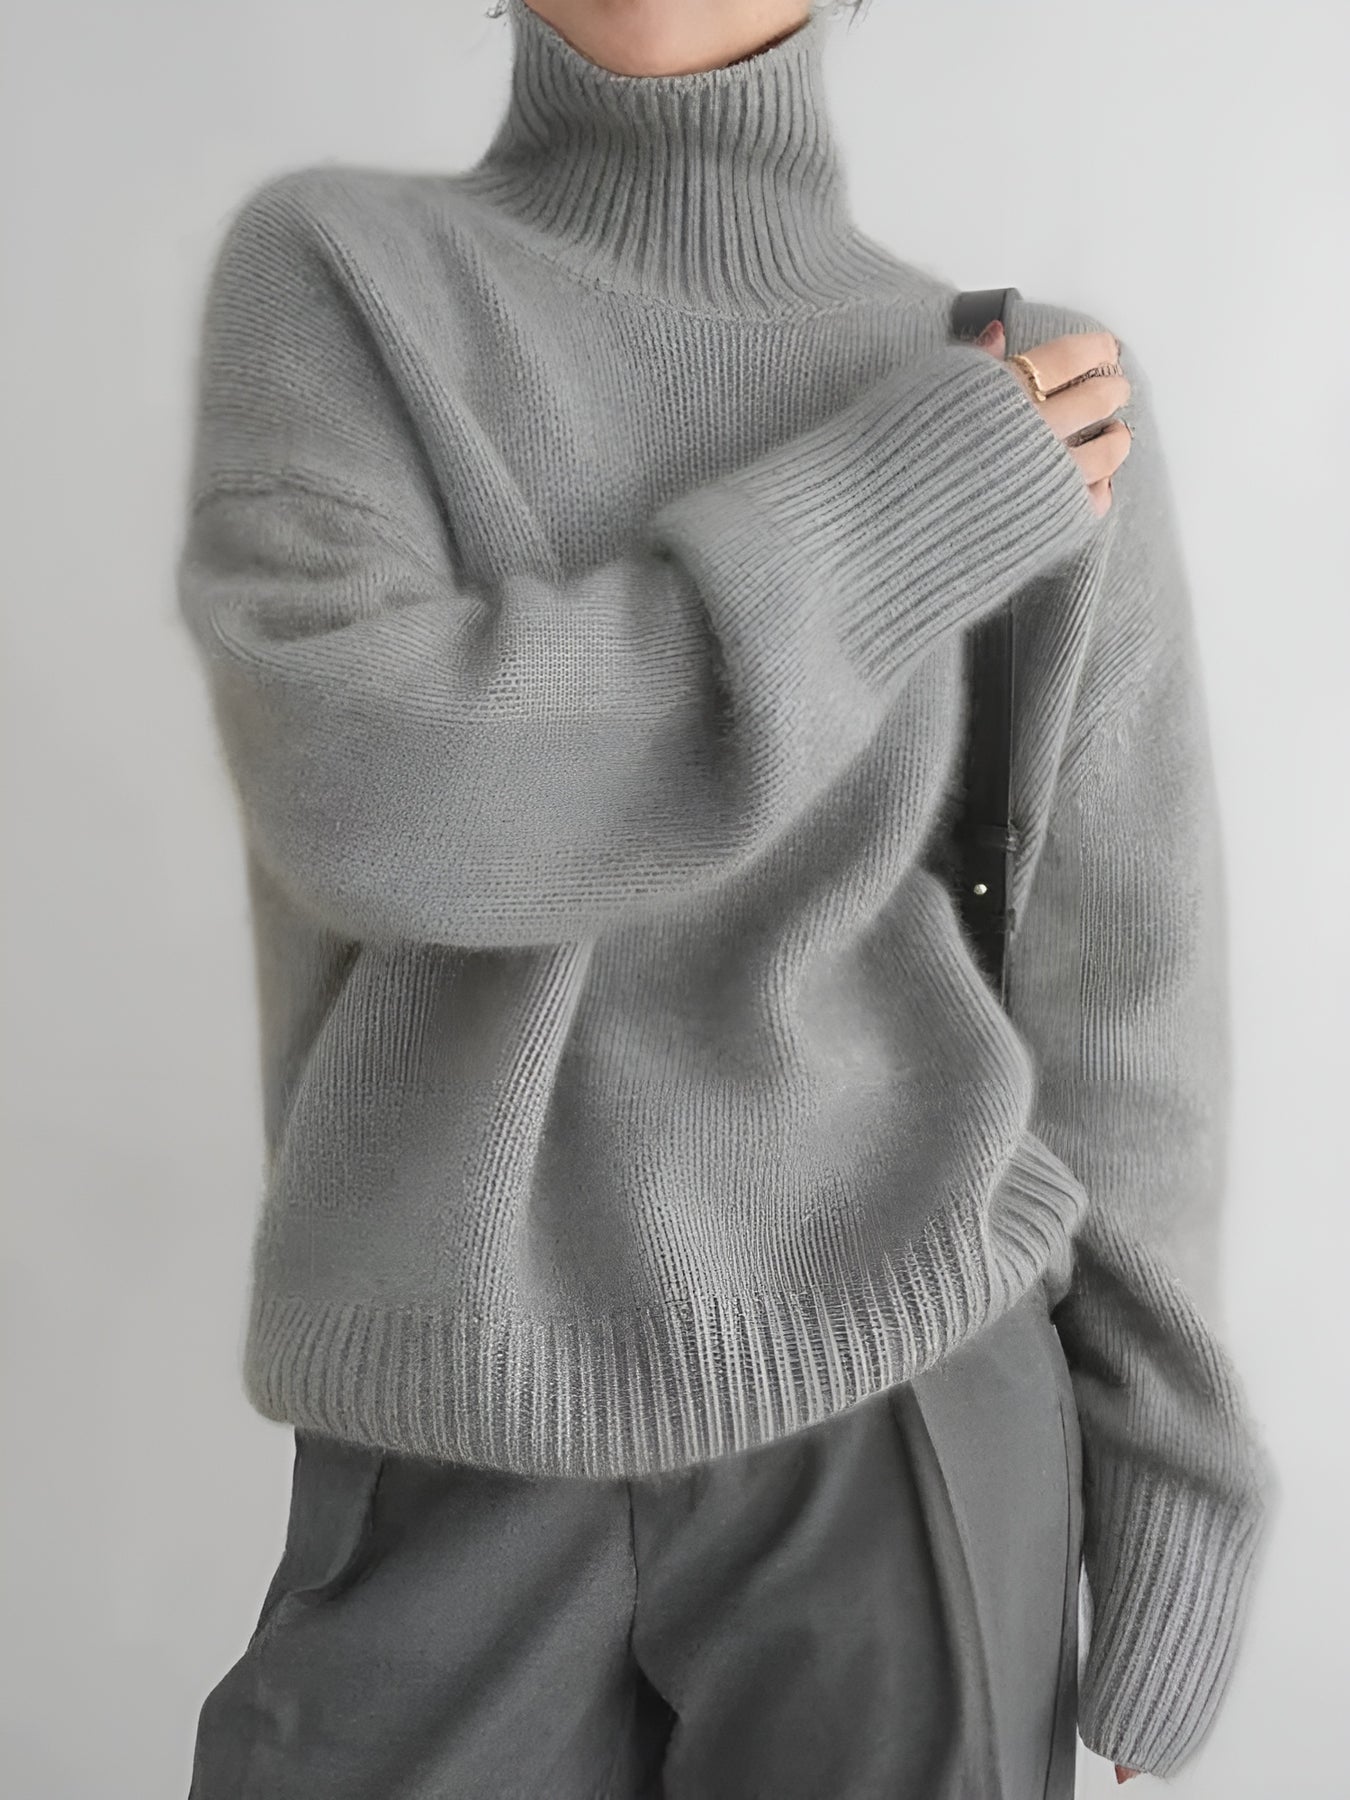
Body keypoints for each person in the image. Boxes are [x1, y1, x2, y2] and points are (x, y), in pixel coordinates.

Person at [177, 1, 1274, 1793]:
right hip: (449, 1403)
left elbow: (1123, 995)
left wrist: (1175, 1479)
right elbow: (374, 792)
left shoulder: (1032, 383)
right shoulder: (343, 281)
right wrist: (893, 516)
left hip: (906, 1386)